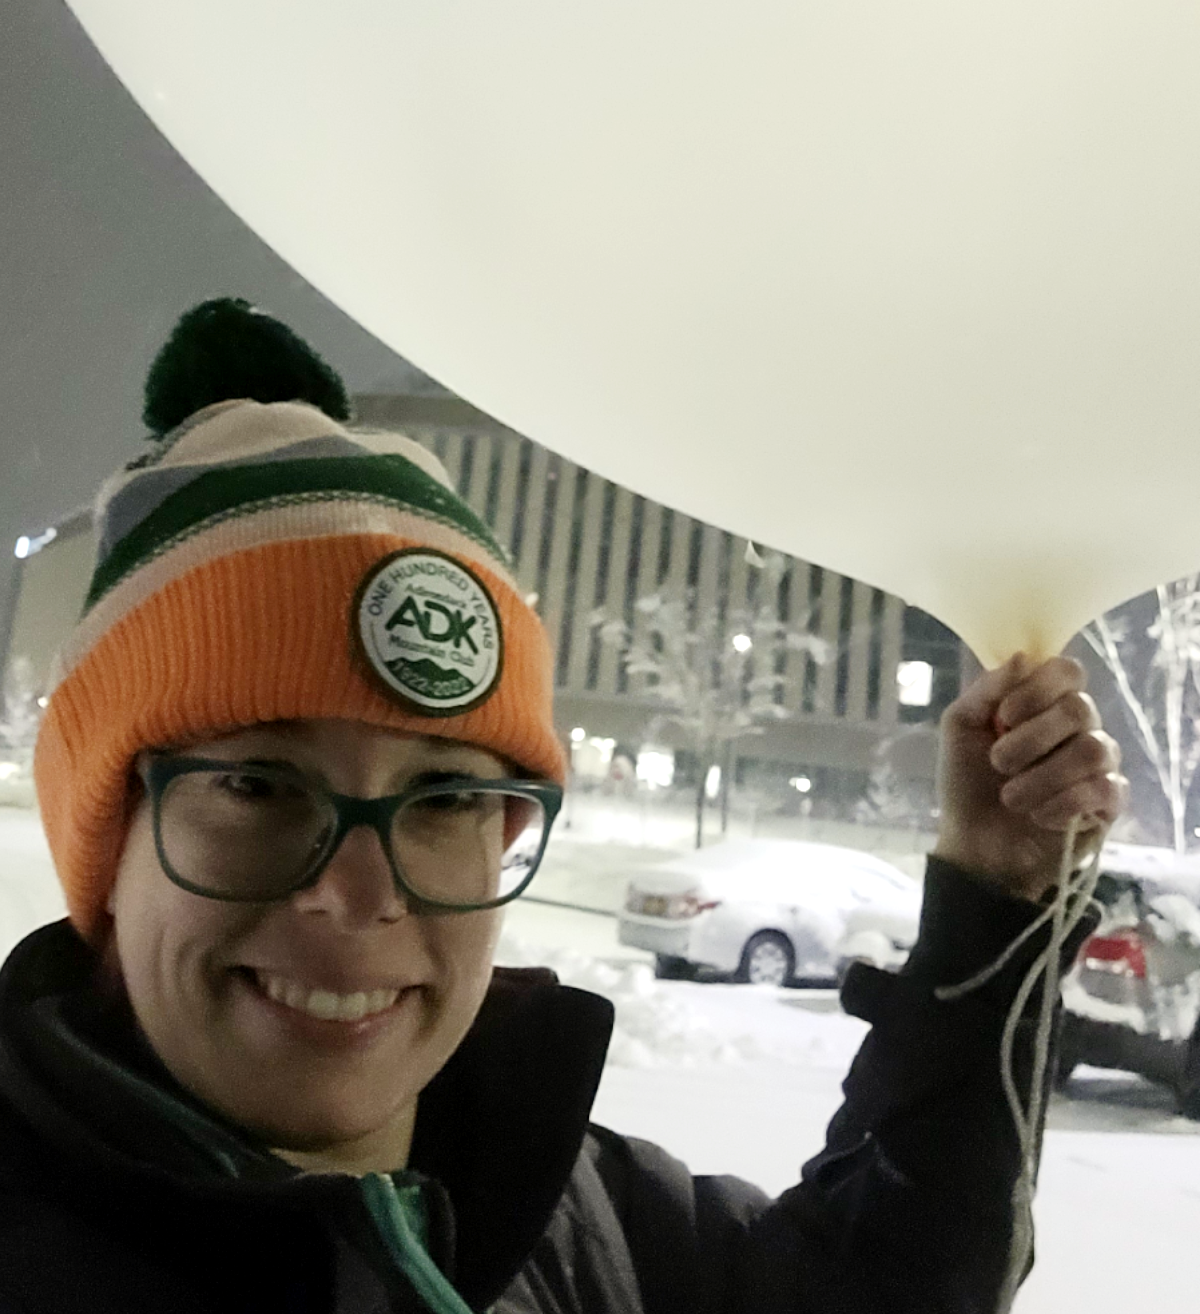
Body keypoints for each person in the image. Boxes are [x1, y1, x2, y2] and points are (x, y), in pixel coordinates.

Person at [0, 299, 1126, 1314]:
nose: (358, 896)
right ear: (108, 841)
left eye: (443, 795)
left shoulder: (570, 1213)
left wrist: (995, 897)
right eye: (256, 785)